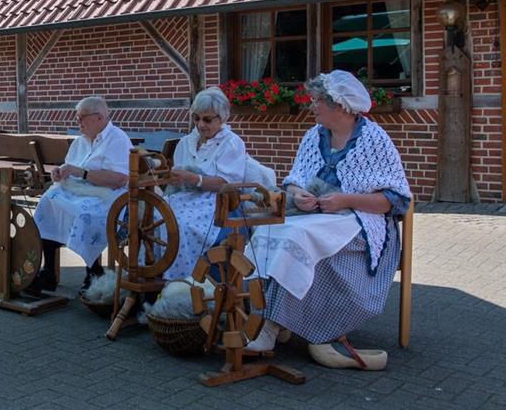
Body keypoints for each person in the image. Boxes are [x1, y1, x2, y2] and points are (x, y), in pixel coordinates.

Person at [245, 70, 411, 371]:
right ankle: (268, 317)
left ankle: (270, 328)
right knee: (271, 231)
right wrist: (298, 196)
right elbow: (293, 182)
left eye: (317, 101)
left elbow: (395, 202)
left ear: (339, 105)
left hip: (362, 222)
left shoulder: (374, 140)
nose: (312, 106)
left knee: (297, 239)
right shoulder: (313, 136)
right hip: (316, 218)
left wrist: (345, 200)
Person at [28, 96, 132, 293]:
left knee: (84, 214)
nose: (78, 122)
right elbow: (71, 167)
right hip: (79, 192)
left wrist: (81, 172)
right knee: (48, 203)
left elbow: (119, 179)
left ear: (100, 118)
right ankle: (48, 272)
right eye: (77, 117)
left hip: (109, 196)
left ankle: (94, 272)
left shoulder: (117, 139)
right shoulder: (80, 142)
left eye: (82, 117)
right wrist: (59, 173)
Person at [163, 87, 247, 281]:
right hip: (184, 198)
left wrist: (194, 179)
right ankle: (154, 275)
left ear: (223, 118)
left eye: (207, 119)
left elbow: (227, 185)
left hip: (219, 204)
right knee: (156, 215)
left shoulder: (232, 143)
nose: (200, 124)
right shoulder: (186, 142)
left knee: (181, 225)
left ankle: (184, 284)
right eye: (196, 118)